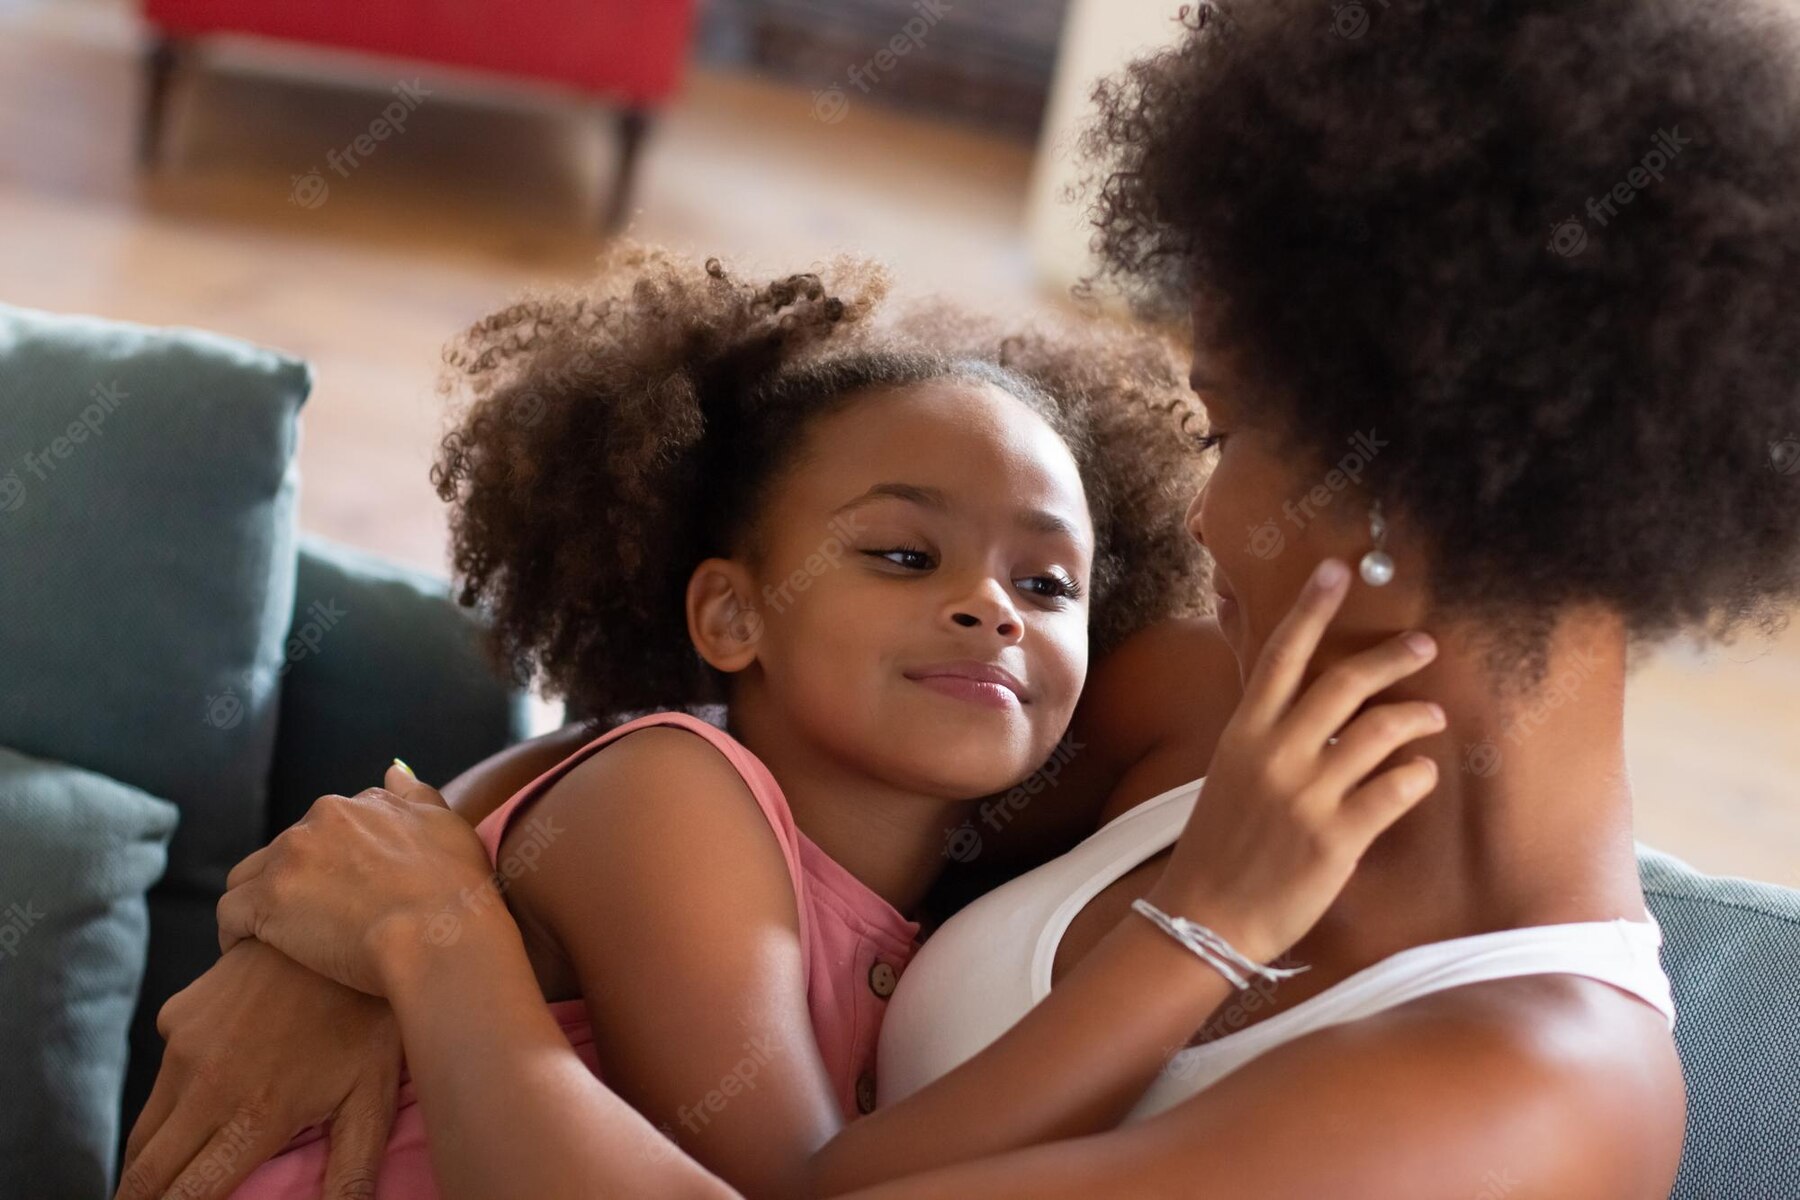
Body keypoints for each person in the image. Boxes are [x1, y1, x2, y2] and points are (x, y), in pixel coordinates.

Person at [131, 0, 1800, 1191]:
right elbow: (721, 745)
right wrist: (359, 918)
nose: (1203, 510)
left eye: (1225, 425)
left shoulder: (1522, 1101)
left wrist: (435, 952)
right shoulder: (1211, 703)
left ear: (1421, 470)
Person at [116, 243, 1439, 1200]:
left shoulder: (939, 891)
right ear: (734, 619)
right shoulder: (672, 800)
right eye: (904, 558)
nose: (993, 609)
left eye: (1048, 584)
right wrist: (1206, 932)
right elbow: (805, 1184)